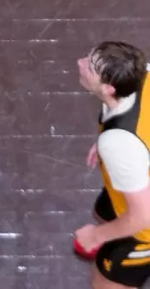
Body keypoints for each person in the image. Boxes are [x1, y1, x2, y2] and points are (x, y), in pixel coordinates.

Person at [75, 41, 150, 289]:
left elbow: (143, 216)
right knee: (106, 211)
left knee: (106, 283)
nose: (80, 63)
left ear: (108, 89)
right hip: (134, 173)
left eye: (90, 67)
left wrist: (94, 237)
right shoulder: (142, 77)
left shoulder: (120, 143)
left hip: (145, 232)